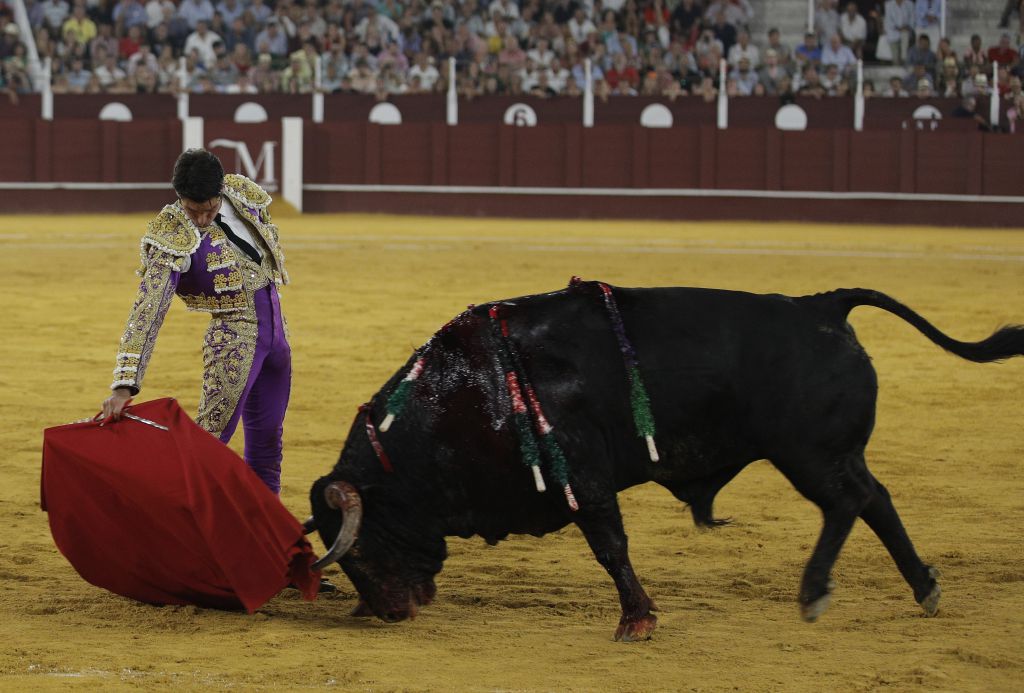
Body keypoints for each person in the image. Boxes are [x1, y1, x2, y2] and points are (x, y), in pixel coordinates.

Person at [102, 149, 292, 497]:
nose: (202, 219)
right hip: (235, 342)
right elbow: (147, 310)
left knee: (268, 444)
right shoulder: (171, 235)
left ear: (221, 191)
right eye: (193, 210)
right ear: (179, 198)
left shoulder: (239, 194)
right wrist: (125, 383)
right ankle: (179, 527)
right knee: (208, 444)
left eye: (209, 209)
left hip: (278, 339)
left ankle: (267, 535)